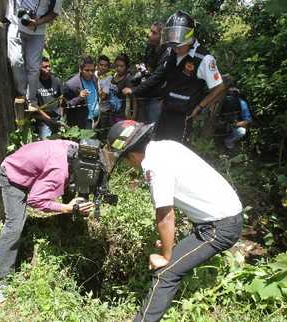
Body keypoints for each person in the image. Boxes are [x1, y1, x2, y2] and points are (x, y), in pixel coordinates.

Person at [104, 120, 243, 322]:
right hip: (225, 214)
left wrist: (165, 255)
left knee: (165, 272)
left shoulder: (153, 166)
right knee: (173, 258)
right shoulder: (167, 146)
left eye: (125, 160)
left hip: (219, 226)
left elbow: (166, 216)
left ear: (131, 154)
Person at [0, 140, 94, 303]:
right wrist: (67, 208)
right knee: (15, 225)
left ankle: (68, 225)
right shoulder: (59, 172)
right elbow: (35, 201)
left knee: (67, 188)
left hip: (28, 166)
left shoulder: (78, 150)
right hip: (12, 175)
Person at [123, 11, 225, 143]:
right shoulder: (172, 52)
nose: (176, 49)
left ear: (189, 38)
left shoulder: (204, 59)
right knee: (158, 145)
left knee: (176, 152)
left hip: (183, 116)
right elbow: (158, 76)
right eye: (173, 45)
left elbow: (219, 86)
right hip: (165, 110)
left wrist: (200, 107)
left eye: (179, 46)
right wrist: (136, 91)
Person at [5, 0, 62, 104]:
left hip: (37, 32)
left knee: (34, 67)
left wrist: (37, 22)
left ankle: (31, 100)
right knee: (16, 61)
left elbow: (54, 13)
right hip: (16, 25)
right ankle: (22, 95)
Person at [137, 21, 169, 124]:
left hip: (158, 99)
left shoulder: (168, 53)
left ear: (162, 36)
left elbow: (157, 77)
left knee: (153, 130)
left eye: (154, 33)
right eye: (150, 31)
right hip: (146, 94)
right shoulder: (150, 47)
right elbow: (146, 65)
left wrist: (134, 91)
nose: (149, 35)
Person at [29, 57, 64, 139]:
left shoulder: (56, 80)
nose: (48, 69)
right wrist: (47, 118)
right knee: (46, 143)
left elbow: (62, 97)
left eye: (49, 66)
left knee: (57, 143)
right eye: (45, 67)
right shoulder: (34, 83)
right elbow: (33, 105)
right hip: (43, 121)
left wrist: (61, 112)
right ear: (38, 68)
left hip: (57, 118)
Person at [63, 56, 100, 129]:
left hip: (96, 119)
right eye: (87, 70)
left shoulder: (94, 78)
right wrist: (79, 98)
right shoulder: (71, 84)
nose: (90, 73)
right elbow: (65, 106)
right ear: (80, 69)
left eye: (92, 70)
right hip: (81, 122)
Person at [108, 54, 135, 124]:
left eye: (121, 66)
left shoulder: (128, 79)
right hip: (112, 113)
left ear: (126, 67)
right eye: (117, 66)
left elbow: (134, 98)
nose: (118, 68)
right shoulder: (113, 78)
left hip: (123, 116)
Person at [96, 55, 113, 133]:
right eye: (101, 65)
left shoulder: (109, 78)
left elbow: (103, 96)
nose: (103, 67)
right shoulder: (93, 74)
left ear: (108, 67)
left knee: (102, 133)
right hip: (92, 110)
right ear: (97, 65)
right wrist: (100, 90)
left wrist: (97, 90)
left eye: (105, 66)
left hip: (104, 111)